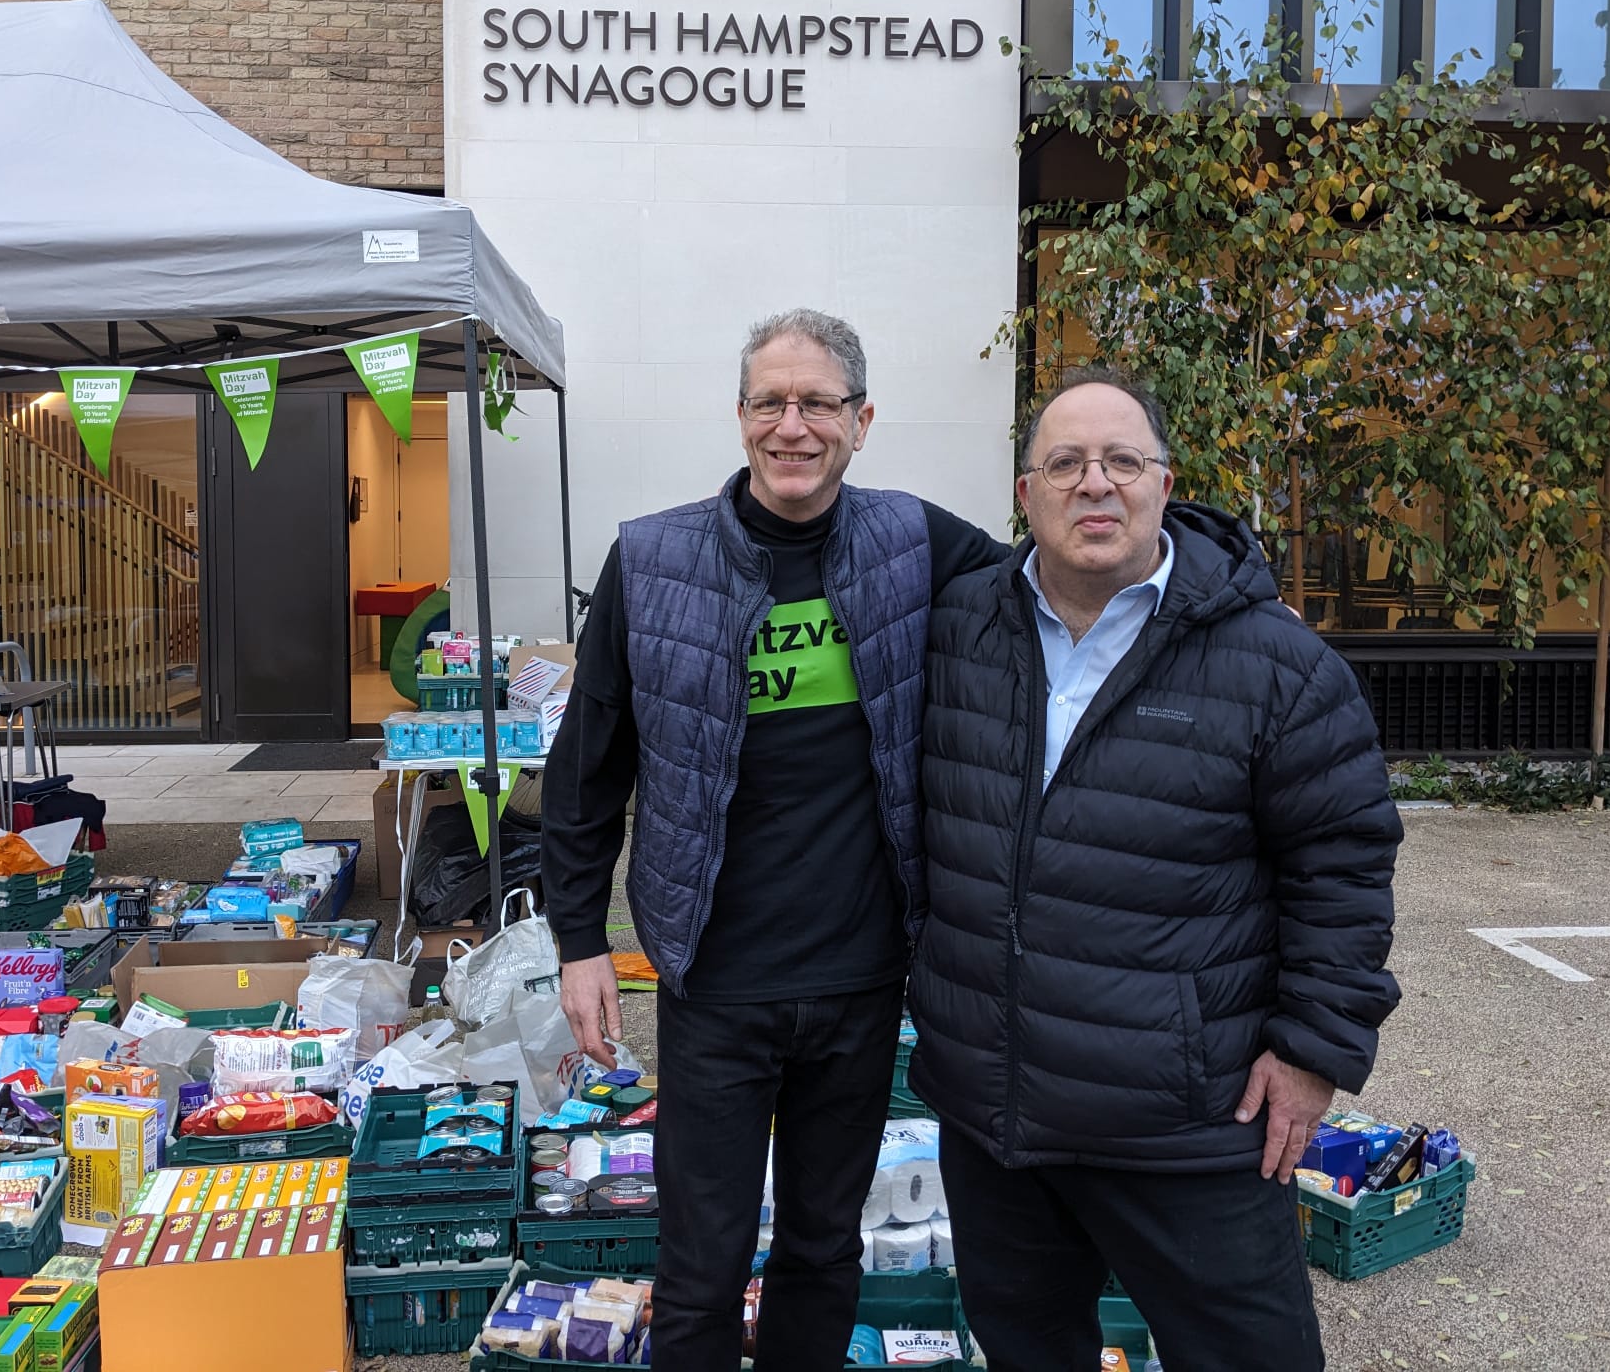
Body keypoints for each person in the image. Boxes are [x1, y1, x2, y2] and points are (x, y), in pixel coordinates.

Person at [540, 308, 1010, 1371]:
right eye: (769, 402)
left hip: (858, 976)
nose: (791, 426)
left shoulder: (915, 543)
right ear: (741, 416)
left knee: (820, 1248)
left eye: (817, 404)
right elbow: (586, 771)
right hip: (716, 978)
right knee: (699, 1266)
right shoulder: (652, 560)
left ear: (862, 420)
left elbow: (1050, 594)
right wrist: (578, 942)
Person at [909, 370, 1402, 1371]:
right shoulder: (956, 633)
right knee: (1028, 1352)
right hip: (999, 1121)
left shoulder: (1274, 664)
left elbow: (1344, 864)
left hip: (1188, 1121)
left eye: (1122, 462)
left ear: (1165, 484)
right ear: (1025, 493)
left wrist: (1313, 1049)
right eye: (1066, 464)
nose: (1097, 485)